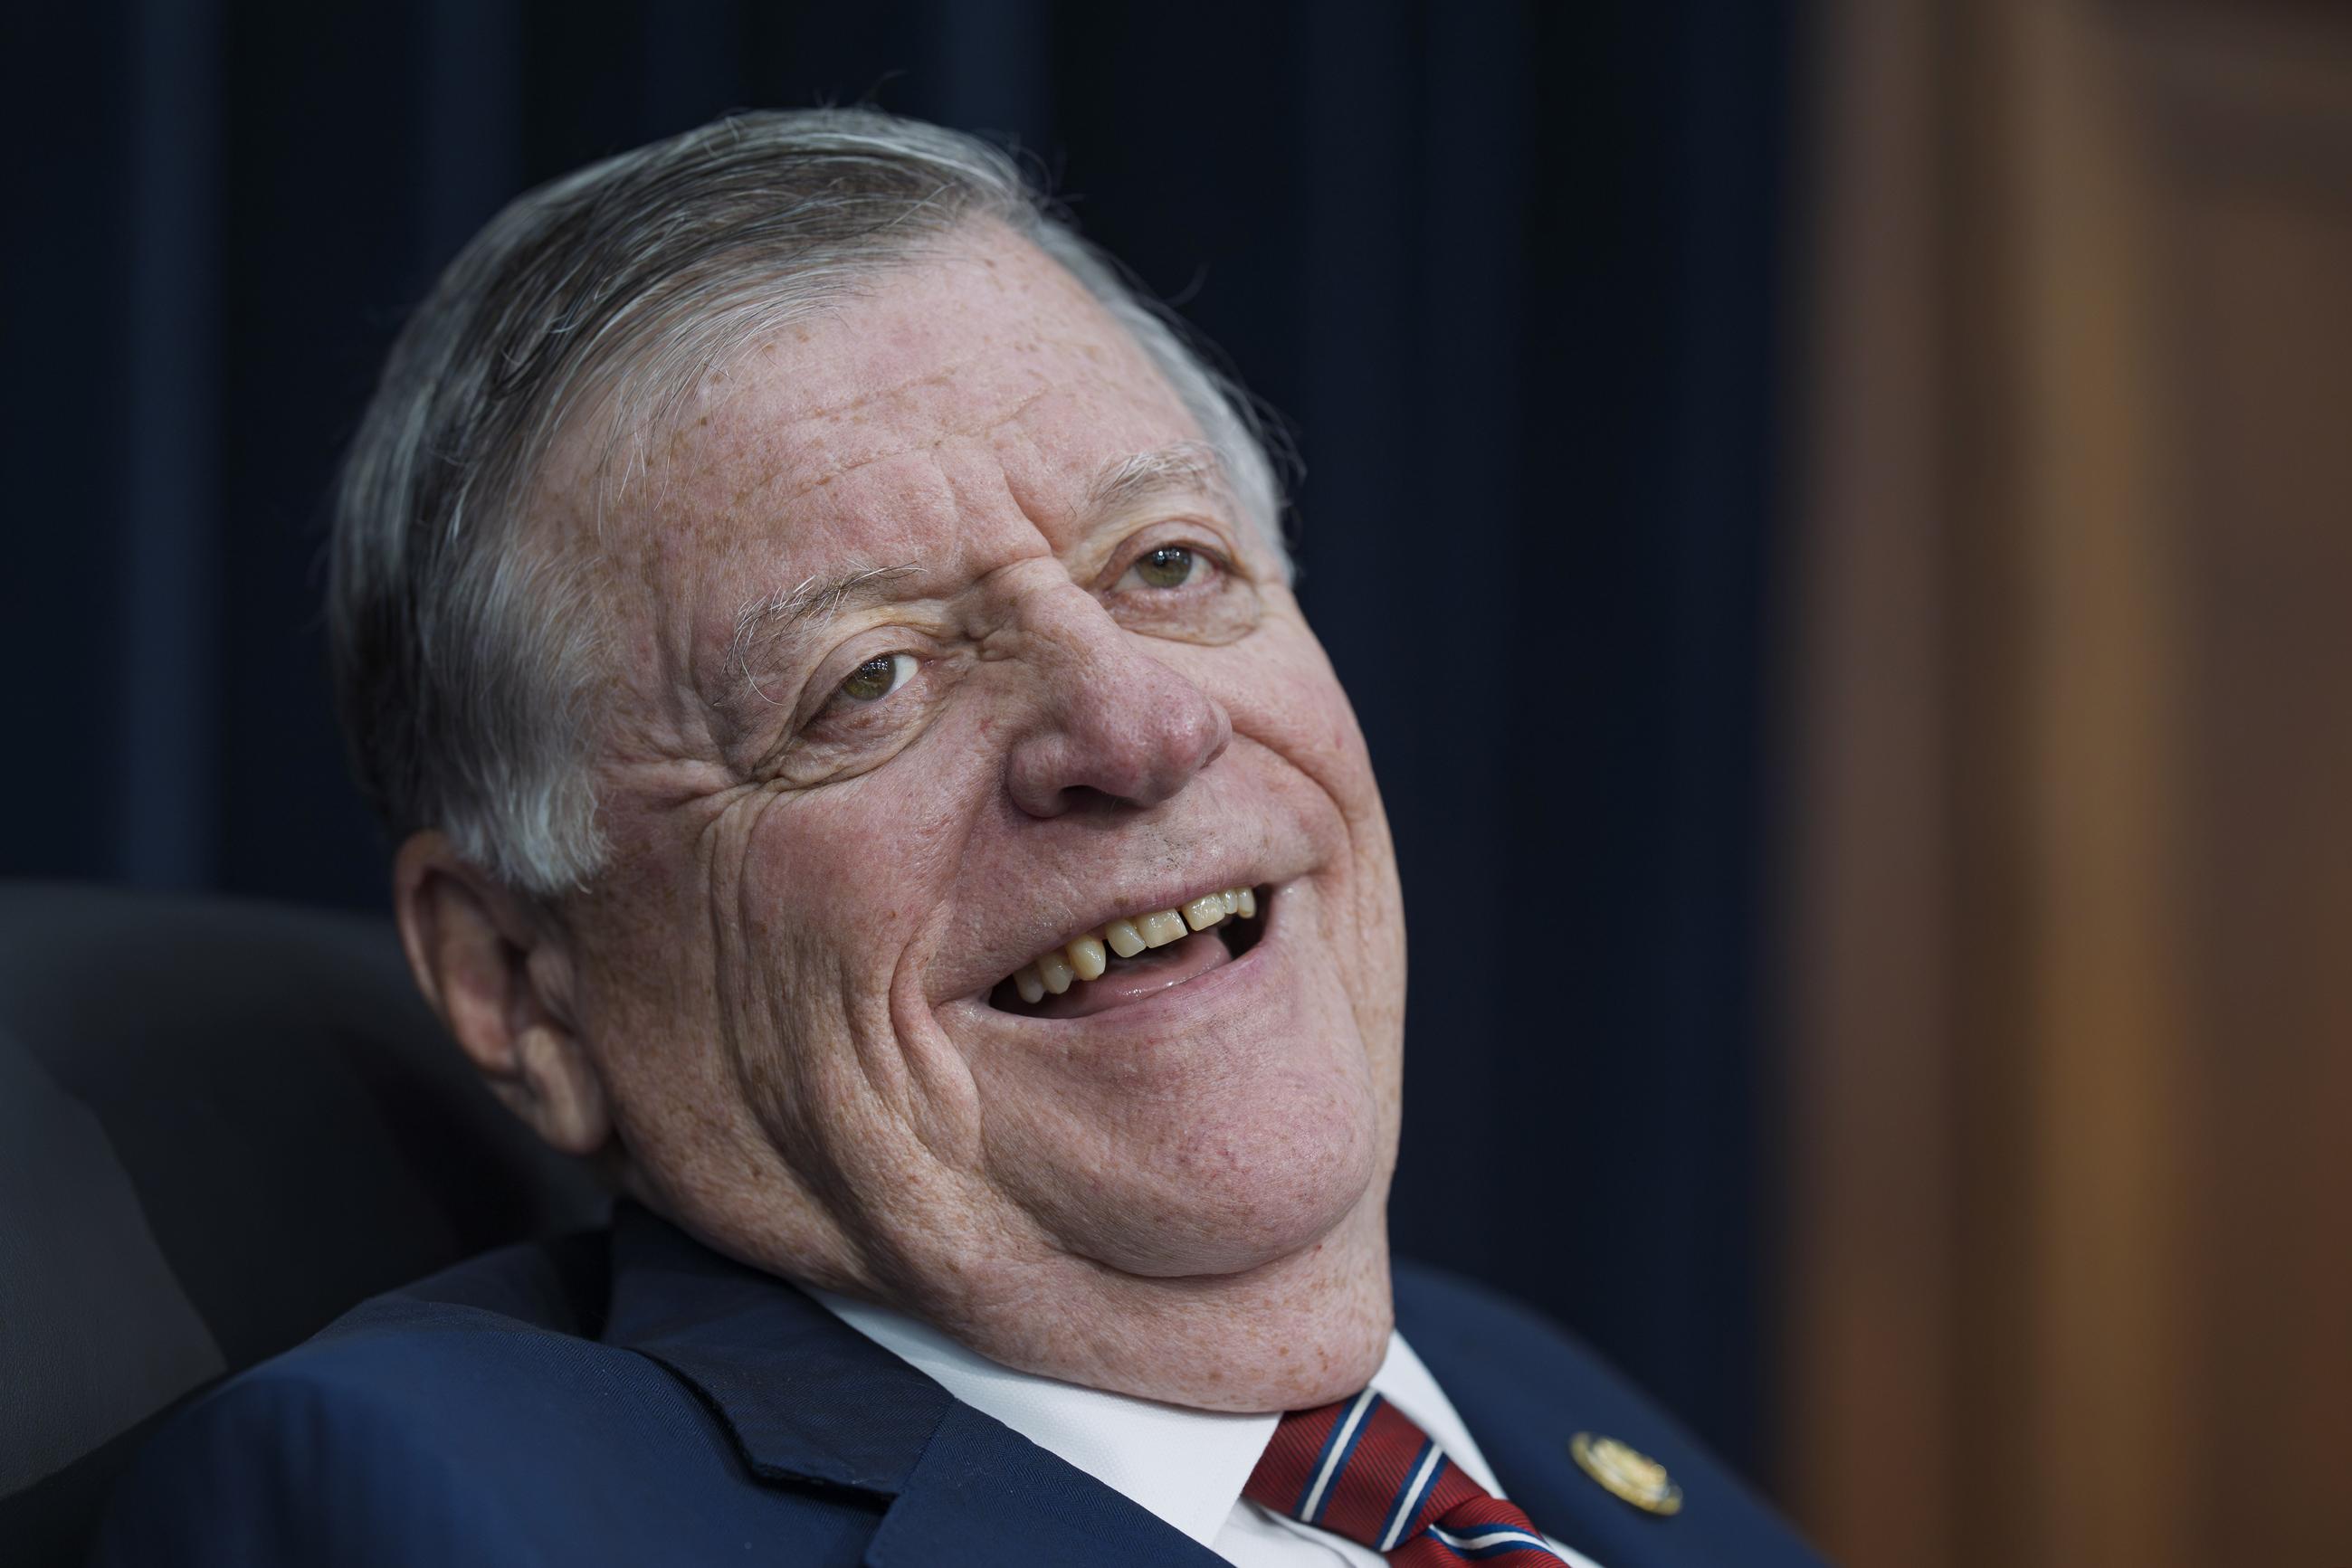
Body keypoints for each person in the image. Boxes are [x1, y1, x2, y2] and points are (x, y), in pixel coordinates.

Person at [92, 109, 1825, 1568]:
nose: (1142, 729)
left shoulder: (1526, 1395)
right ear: (518, 982)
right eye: (872, 678)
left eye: (1168, 563)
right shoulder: (433, 1509)